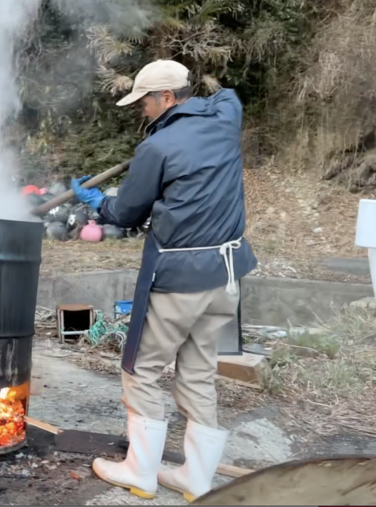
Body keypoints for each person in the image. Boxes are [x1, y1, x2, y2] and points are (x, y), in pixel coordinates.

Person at [72, 59, 257, 501]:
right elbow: (227, 94)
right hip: (226, 276)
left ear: (167, 98)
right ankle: (196, 478)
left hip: (180, 278)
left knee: (143, 369)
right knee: (198, 371)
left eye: (146, 102)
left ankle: (140, 472)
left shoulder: (157, 148)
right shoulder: (225, 117)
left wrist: (100, 204)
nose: (142, 111)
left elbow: (127, 212)